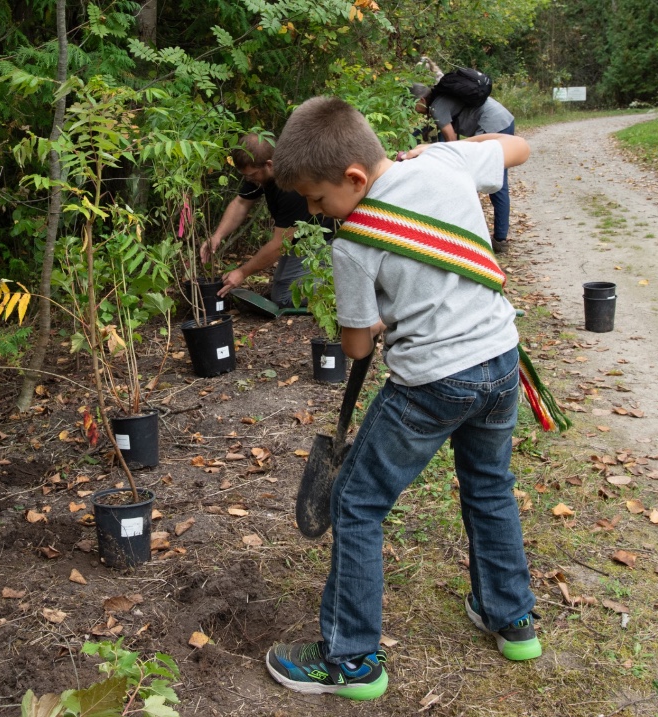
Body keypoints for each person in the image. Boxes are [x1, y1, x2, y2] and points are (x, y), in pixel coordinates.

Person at [264, 96, 539, 700]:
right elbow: (517, 147)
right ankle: (512, 619)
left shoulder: (351, 243)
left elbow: (358, 348)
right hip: (500, 361)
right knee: (490, 485)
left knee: (357, 501)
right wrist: (453, 151)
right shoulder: (442, 162)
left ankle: (352, 660)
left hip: (434, 384)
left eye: (316, 198)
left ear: (354, 178)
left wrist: (381, 319)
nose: (314, 211)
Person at [199, 133, 332, 307]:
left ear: (270, 164)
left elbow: (280, 244)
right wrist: (217, 236)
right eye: (245, 176)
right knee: (282, 286)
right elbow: (241, 203)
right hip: (298, 241)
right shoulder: (260, 173)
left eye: (251, 175)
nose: (248, 179)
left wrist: (242, 272)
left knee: (284, 296)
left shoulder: (291, 186)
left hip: (324, 240)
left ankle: (340, 285)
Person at [411, 81, 516, 253]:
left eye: (412, 104)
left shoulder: (437, 107)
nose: (411, 109)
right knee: (491, 176)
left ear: (421, 99)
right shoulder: (440, 102)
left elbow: (452, 143)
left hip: (495, 124)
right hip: (502, 118)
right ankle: (494, 235)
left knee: (496, 177)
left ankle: (499, 239)